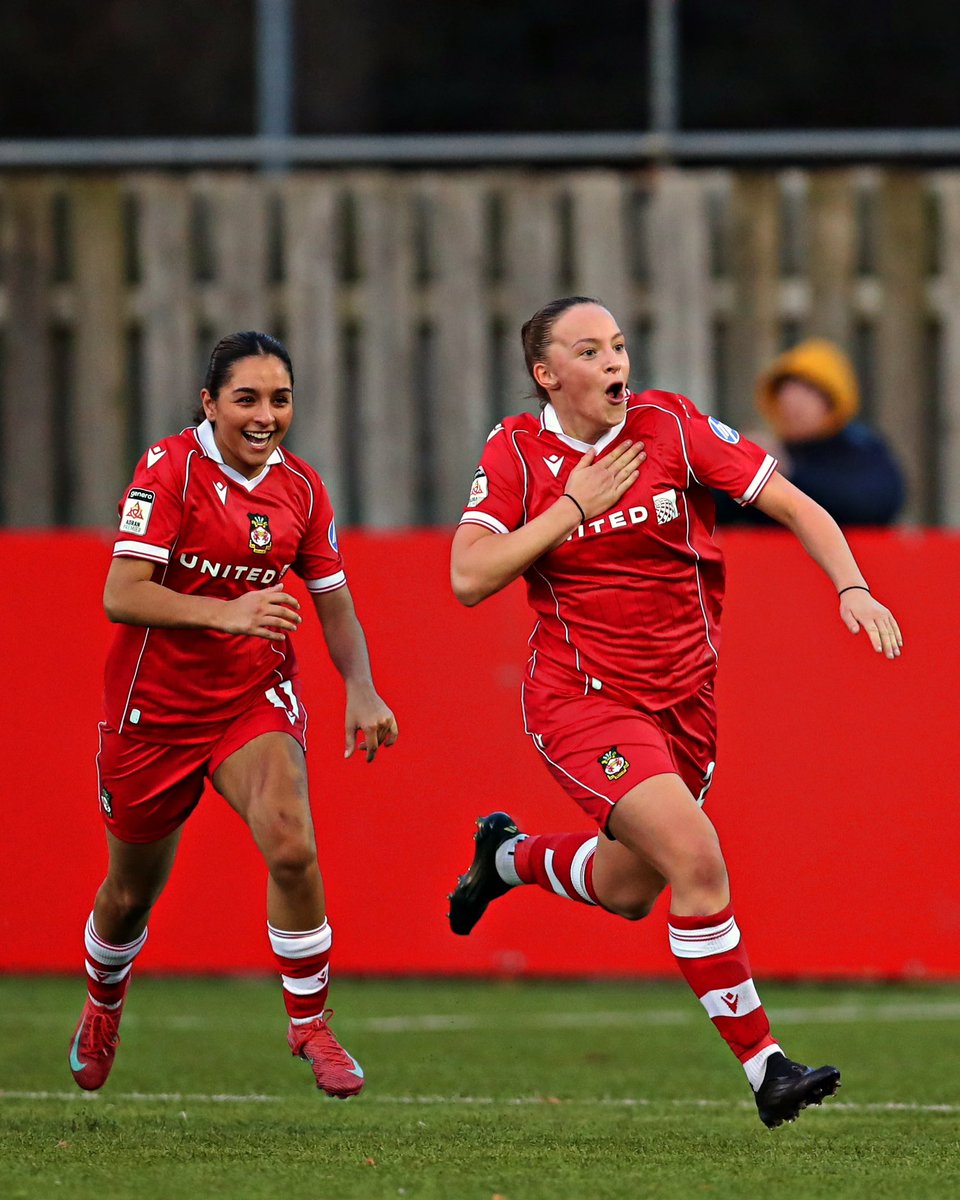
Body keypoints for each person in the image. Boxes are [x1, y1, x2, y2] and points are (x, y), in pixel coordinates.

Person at [446, 297, 902, 1128]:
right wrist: (569, 509)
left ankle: (506, 859)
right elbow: (468, 577)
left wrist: (853, 585)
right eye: (591, 350)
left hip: (685, 702)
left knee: (629, 891)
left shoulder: (672, 426)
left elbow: (795, 505)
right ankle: (769, 1068)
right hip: (582, 700)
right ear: (547, 375)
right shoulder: (514, 453)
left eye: (619, 345)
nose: (616, 362)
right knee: (698, 859)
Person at [69, 331, 398, 1098]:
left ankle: (311, 1025)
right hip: (152, 713)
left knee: (291, 843)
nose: (264, 415)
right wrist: (227, 613)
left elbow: (334, 603)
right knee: (127, 896)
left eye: (279, 399)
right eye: (246, 398)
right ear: (208, 402)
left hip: (249, 698)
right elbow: (122, 593)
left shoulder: (303, 490)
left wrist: (363, 686)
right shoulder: (170, 469)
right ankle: (103, 1000)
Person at [714, 338, 905, 527]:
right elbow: (709, 513)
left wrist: (788, 473)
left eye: (808, 393)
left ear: (833, 401)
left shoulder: (861, 449)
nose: (792, 404)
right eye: (784, 393)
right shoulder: (771, 451)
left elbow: (873, 506)